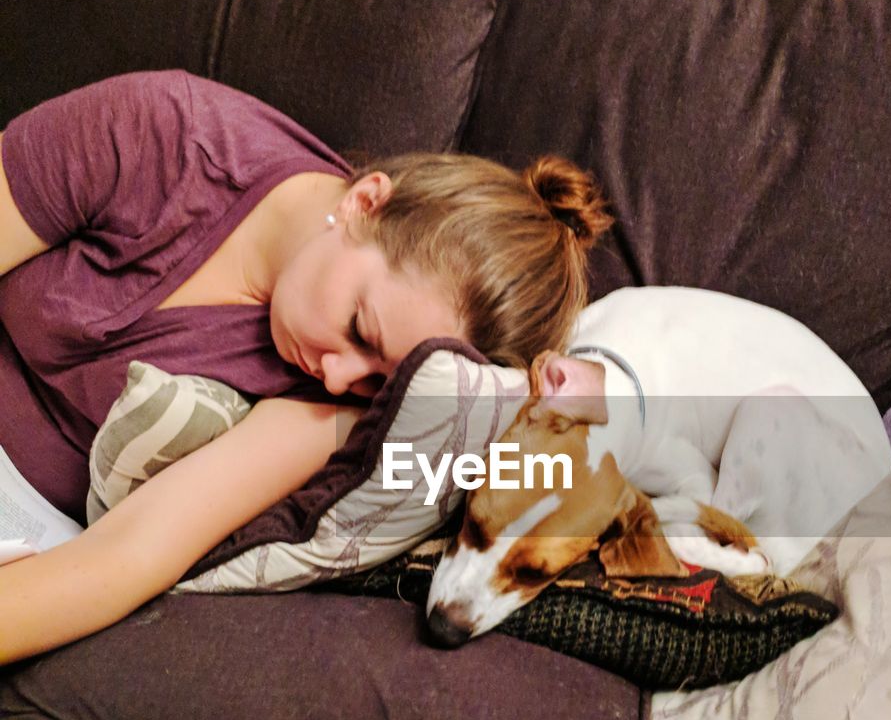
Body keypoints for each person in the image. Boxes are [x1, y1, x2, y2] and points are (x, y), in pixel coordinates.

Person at [0, 70, 611, 663]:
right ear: (365, 202)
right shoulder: (168, 135)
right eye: (358, 329)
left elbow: (125, 557)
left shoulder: (339, 407)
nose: (341, 377)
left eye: (378, 379)